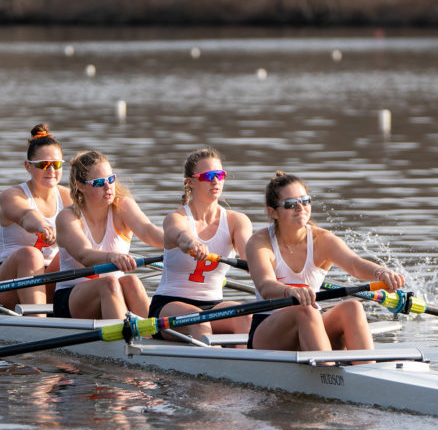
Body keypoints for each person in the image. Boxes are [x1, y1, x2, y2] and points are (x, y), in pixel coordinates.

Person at [245, 171, 405, 352]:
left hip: (311, 323)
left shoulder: (322, 240)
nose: (300, 207)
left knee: (352, 307)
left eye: (305, 200)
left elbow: (354, 264)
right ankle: (327, 371)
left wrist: (381, 272)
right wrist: (290, 291)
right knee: (306, 311)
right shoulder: (260, 242)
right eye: (290, 204)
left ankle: (367, 367)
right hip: (269, 332)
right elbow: (266, 286)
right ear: (273, 212)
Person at [148, 147, 253, 342]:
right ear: (190, 182)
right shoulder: (175, 218)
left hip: (213, 305)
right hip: (169, 305)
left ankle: (242, 368)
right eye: (208, 176)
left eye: (220, 175)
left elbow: (249, 257)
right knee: (200, 322)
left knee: (246, 317)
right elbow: (181, 236)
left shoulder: (237, 221)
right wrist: (193, 244)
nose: (216, 181)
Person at [53, 150, 163, 319]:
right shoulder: (68, 217)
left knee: (132, 281)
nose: (108, 187)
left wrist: (182, 241)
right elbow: (84, 255)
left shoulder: (122, 206)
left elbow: (148, 232)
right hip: (72, 297)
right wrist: (111, 257)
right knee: (109, 283)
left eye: (111, 179)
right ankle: (122, 341)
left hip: (114, 293)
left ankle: (151, 339)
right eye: (98, 183)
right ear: (80, 186)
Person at [0, 123, 72, 310]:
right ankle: (39, 323)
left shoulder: (68, 197)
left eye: (56, 164)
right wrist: (42, 226)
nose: (51, 171)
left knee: (75, 253)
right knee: (31, 255)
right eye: (43, 165)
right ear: (28, 166)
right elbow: (26, 216)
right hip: (6, 283)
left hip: (49, 278)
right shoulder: (12, 195)